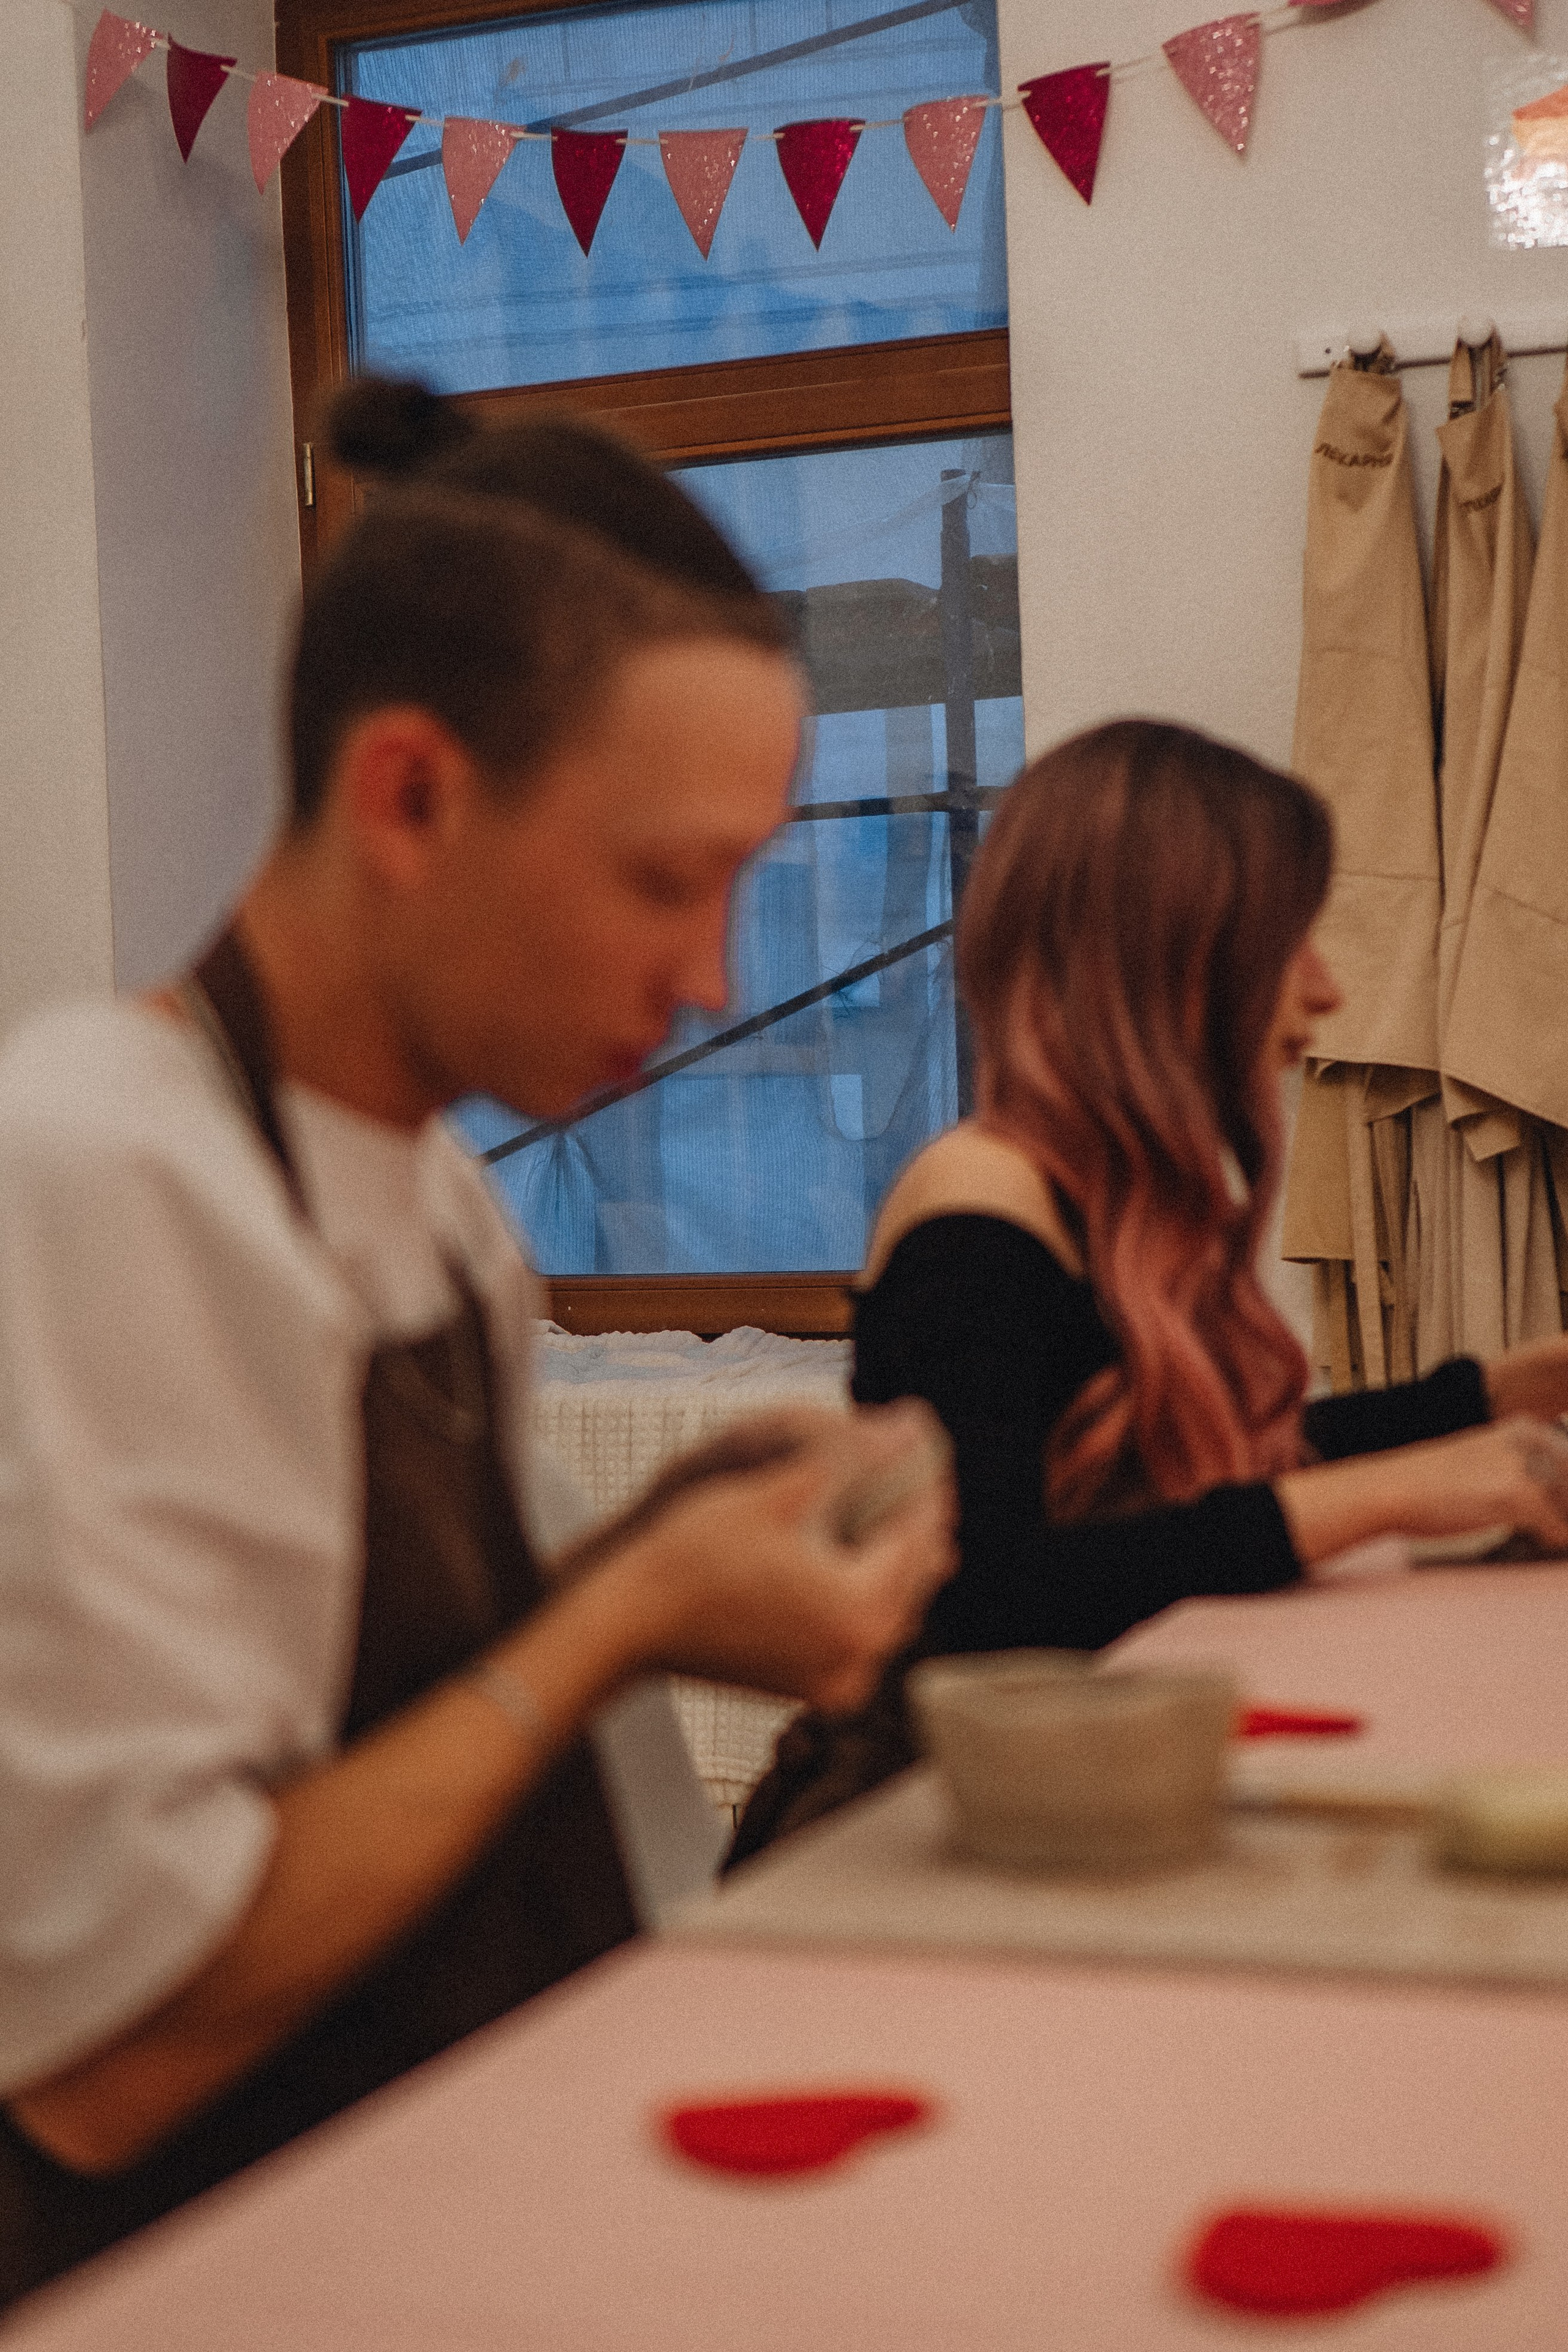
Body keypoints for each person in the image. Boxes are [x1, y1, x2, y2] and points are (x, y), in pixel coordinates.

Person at [0, 387, 952, 2304]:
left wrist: (687, 1539)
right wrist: (630, 1615)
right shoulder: (101, 1171)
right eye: (666, 880)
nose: (712, 982)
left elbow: (422, 1704)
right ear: (410, 796)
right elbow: (104, 2051)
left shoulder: (427, 1195)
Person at [729, 720, 1568, 1861]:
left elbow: (1192, 1479)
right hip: (912, 1817)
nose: (1325, 989)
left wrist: (1502, 1393)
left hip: (1064, 1789)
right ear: (1168, 960)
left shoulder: (1096, 1196)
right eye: (1291, 943)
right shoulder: (977, 1207)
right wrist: (1386, 1494)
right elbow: (981, 1598)